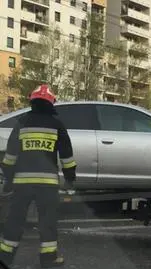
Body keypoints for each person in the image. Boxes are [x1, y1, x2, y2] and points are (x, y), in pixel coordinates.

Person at [0, 85, 77, 268]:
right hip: (47, 185)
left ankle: (4, 258)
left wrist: (8, 181)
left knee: (15, 221)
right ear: (51, 103)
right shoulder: (57, 125)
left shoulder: (22, 123)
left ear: (32, 101)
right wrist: (70, 179)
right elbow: (67, 156)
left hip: (22, 184)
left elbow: (10, 157)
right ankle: (48, 259)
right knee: (47, 222)